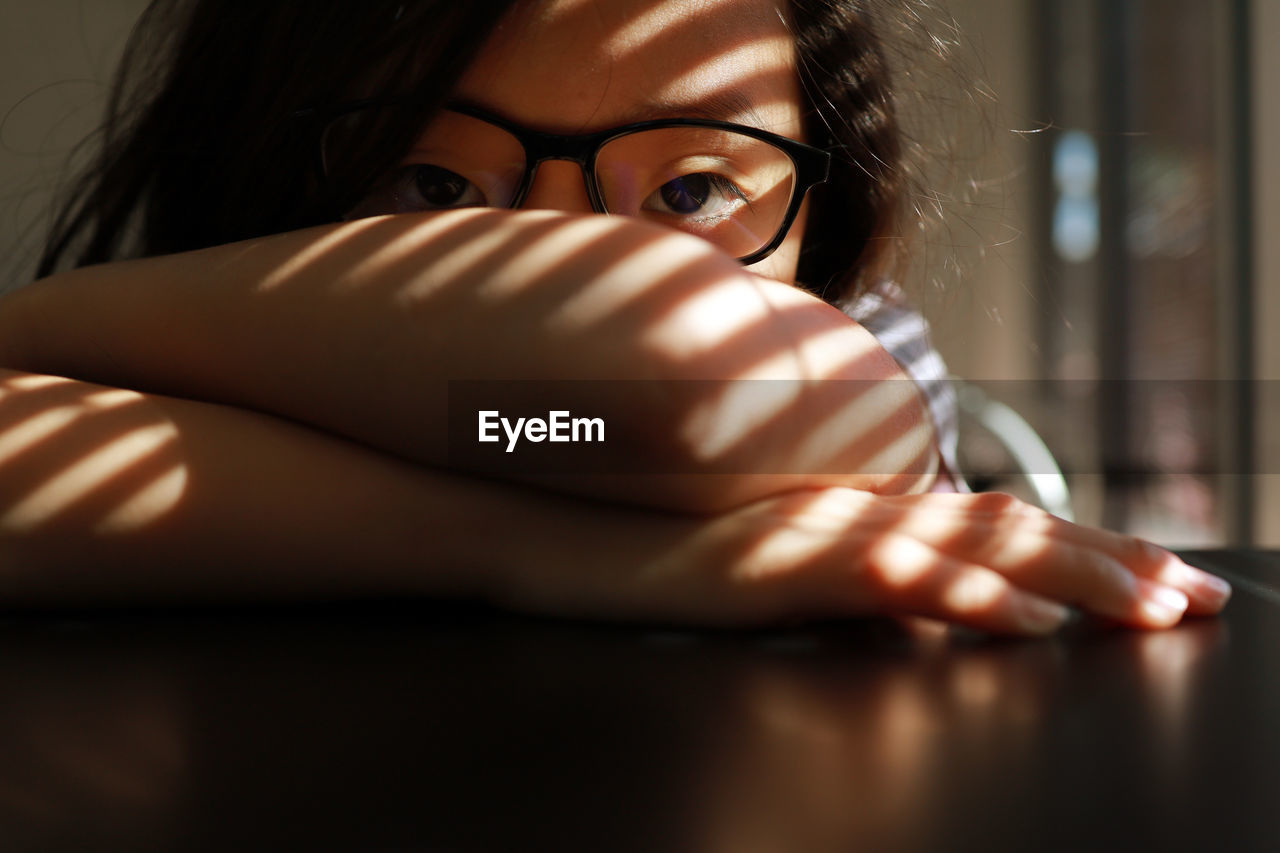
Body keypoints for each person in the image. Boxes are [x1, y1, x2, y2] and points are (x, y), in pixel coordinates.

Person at [0, 0, 1230, 633]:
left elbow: (647, 375)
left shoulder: (840, 346)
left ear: (823, 208)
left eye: (691, 192)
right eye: (435, 187)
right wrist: (572, 551)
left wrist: (36, 333)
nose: (562, 256)